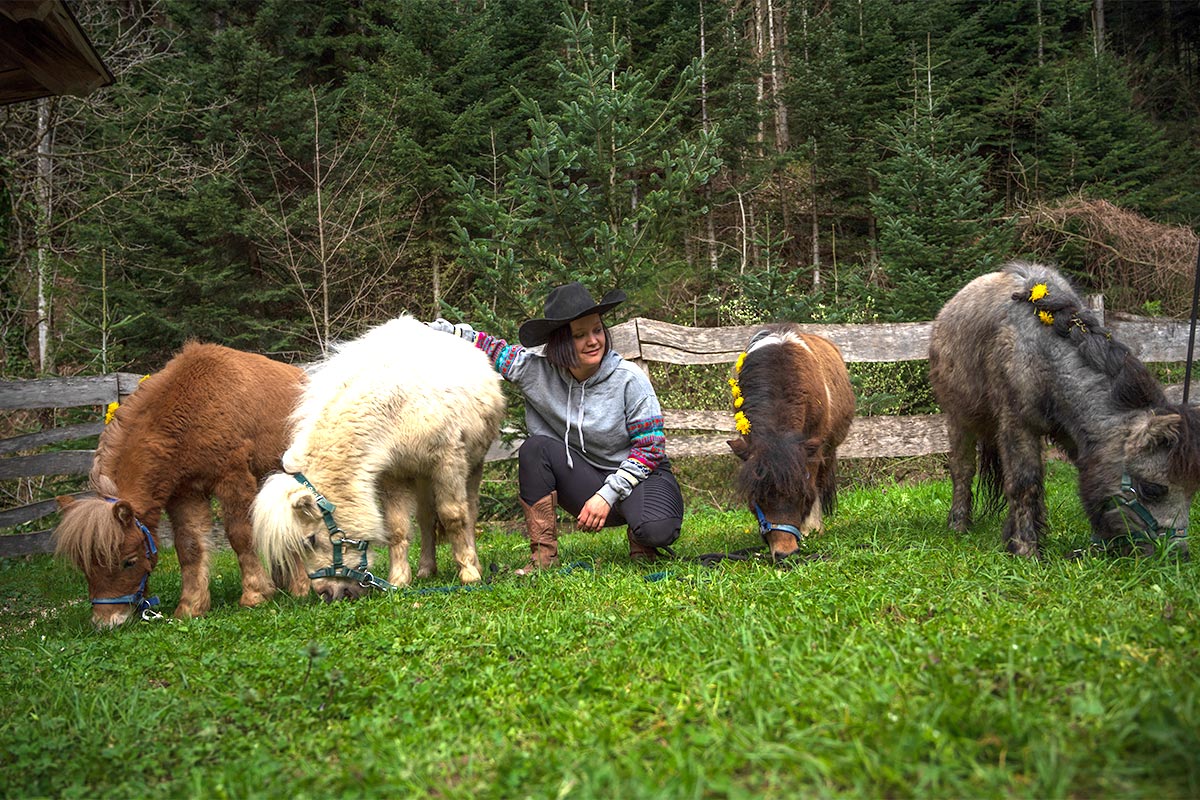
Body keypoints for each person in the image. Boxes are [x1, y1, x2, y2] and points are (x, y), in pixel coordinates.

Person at [431, 282, 684, 574]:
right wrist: (445, 332)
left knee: (656, 529)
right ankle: (544, 556)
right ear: (560, 342)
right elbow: (493, 349)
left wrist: (607, 495)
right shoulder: (535, 371)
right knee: (535, 449)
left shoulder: (630, 379)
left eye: (597, 330)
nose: (593, 341)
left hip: (642, 477)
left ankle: (642, 539)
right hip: (584, 478)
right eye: (579, 335)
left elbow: (650, 449)